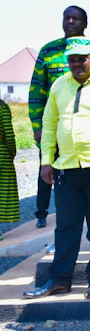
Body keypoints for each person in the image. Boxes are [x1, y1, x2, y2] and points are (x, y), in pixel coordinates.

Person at [23, 38, 90, 300]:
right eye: (72, 59)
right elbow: (50, 124)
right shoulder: (59, 85)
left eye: (82, 58)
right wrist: (46, 160)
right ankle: (60, 279)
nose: (77, 64)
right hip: (67, 167)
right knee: (66, 226)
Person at [28, 5, 90, 229]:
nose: (70, 22)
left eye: (75, 18)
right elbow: (37, 90)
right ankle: (41, 213)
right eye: (66, 18)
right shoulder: (48, 51)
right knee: (49, 173)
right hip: (56, 126)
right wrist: (37, 126)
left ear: (85, 23)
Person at [0, 99, 19, 239]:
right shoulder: (1, 107)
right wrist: (12, 151)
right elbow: (9, 134)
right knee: (2, 191)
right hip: (2, 154)